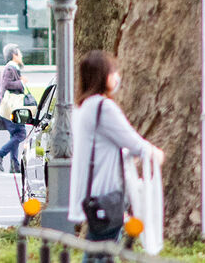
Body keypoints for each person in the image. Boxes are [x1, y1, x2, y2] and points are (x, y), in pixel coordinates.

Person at [68, 50, 164, 258]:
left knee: (96, 250)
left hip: (91, 195)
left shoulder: (84, 107)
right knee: (102, 251)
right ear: (104, 76)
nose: (117, 76)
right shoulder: (104, 108)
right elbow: (133, 141)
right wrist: (153, 153)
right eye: (113, 71)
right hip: (106, 194)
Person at [0, 43, 28, 173]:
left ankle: (14, 165)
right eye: (19, 53)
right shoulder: (9, 69)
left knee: (15, 134)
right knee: (21, 133)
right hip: (11, 107)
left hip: (9, 107)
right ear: (14, 55)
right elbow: (6, 84)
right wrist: (21, 82)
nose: (21, 55)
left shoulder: (10, 68)